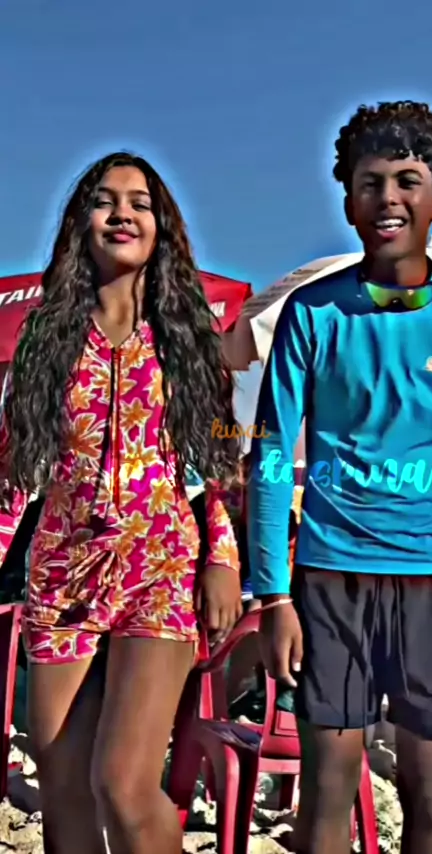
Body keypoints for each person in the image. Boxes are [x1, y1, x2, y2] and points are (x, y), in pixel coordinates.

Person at [248, 101, 432, 854]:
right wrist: (272, 594)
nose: (388, 198)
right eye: (370, 183)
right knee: (325, 796)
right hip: (330, 579)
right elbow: (271, 454)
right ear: (348, 203)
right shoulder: (311, 314)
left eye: (408, 181)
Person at [0, 152, 242, 854]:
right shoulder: (44, 339)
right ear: (83, 222)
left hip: (159, 566)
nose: (122, 213)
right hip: (61, 570)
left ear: (160, 226)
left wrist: (223, 560)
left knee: (125, 783)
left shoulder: (187, 338)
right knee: (61, 780)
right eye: (105, 201)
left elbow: (217, 460)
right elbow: (14, 469)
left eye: (139, 202)